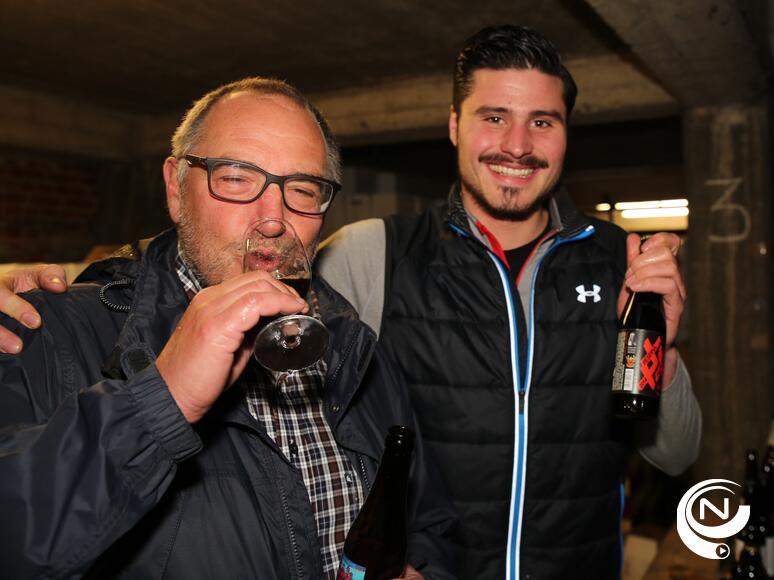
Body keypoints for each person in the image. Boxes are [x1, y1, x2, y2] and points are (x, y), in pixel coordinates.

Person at [0, 26, 701, 579]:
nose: (517, 144)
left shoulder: (623, 261)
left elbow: (675, 454)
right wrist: (71, 292)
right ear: (454, 125)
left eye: (542, 121)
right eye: (493, 116)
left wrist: (661, 355)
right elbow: (180, 280)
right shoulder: (376, 253)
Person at [0, 77, 457, 580]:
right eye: (237, 178)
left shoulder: (356, 345)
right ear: (176, 189)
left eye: (302, 189)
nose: (272, 219)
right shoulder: (45, 329)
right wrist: (161, 401)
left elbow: (427, 523)